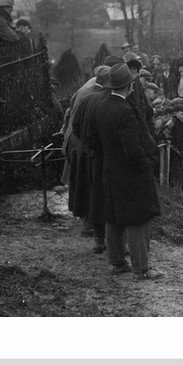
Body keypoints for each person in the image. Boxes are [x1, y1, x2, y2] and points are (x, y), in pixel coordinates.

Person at [91, 63, 163, 279]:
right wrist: (146, 166)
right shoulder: (125, 111)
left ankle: (117, 263)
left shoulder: (101, 105)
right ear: (129, 86)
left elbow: (94, 140)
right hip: (130, 174)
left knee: (113, 216)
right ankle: (141, 269)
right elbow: (132, 150)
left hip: (110, 170)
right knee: (137, 219)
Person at [67, 66, 111, 254]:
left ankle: (97, 238)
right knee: (103, 196)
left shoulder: (85, 96)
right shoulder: (105, 100)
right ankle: (109, 240)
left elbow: (75, 125)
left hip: (85, 152)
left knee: (91, 193)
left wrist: (87, 144)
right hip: (100, 156)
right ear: (107, 81)